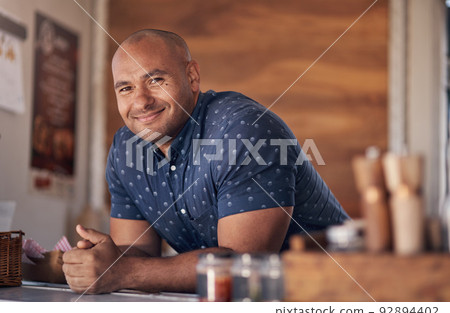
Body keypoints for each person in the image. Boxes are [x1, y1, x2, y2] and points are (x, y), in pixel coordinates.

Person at [62, 29, 349, 294]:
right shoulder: (126, 150)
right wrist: (101, 260)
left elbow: (243, 267)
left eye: (156, 80)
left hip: (341, 294)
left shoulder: (246, 131)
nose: (141, 102)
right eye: (125, 88)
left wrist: (121, 272)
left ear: (192, 77)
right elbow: (140, 257)